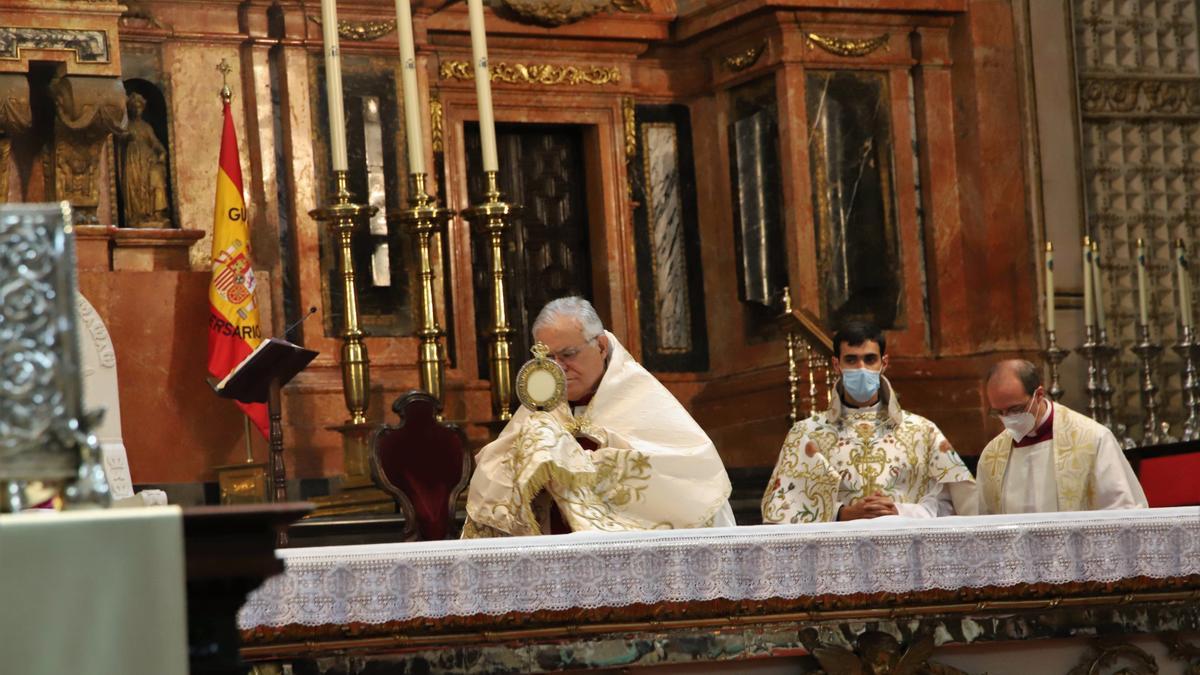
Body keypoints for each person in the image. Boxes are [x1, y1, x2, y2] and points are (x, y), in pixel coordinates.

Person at [463, 296, 735, 537]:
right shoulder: (539, 409)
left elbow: (681, 476)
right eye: (547, 359)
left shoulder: (643, 400)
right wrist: (529, 461)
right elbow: (493, 482)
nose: (558, 369)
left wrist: (577, 465)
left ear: (602, 347)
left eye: (568, 355)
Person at [761, 320, 976, 523]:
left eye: (870, 359)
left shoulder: (922, 431)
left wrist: (899, 511)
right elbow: (783, 508)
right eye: (851, 360)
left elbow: (953, 504)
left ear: (884, 363)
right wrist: (841, 514)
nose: (861, 368)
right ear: (837, 365)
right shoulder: (806, 434)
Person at [975, 359, 1147, 514]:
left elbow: (1121, 510)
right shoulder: (992, 456)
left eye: (1015, 409)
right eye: (999, 412)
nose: (1008, 418)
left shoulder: (1092, 439)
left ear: (1039, 395)